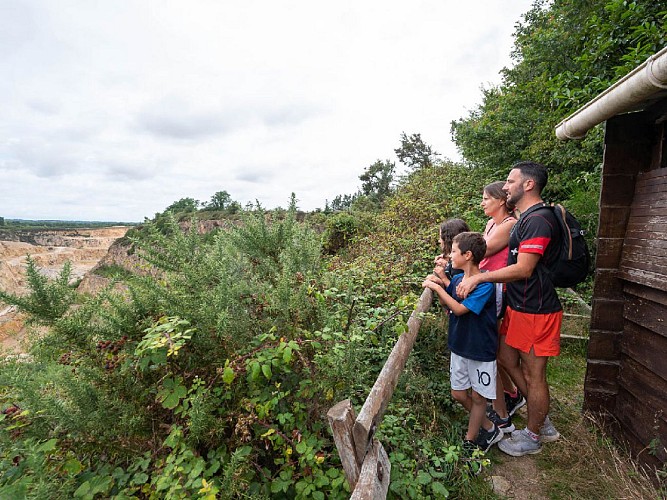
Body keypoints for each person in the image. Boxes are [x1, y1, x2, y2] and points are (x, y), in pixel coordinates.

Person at [457, 161, 562, 456]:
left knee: (534, 374)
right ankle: (539, 416)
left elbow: (525, 268)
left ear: (528, 185)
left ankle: (535, 435)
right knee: (504, 356)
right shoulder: (526, 218)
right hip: (520, 305)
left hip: (537, 310)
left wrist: (480, 276)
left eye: (509, 180)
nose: (505, 186)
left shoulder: (538, 220)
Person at [423, 232, 503, 453]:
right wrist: (439, 281)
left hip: (480, 349)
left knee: (478, 397)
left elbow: (459, 309)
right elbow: (448, 302)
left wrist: (437, 287)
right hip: (459, 346)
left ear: (467, 255)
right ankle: (488, 426)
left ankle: (470, 440)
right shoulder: (458, 280)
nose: (450, 255)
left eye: (454, 251)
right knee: (458, 393)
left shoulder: (485, 285)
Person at [478, 181, 525, 433]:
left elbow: (482, 251)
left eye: (486, 198)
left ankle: (501, 413)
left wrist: (456, 255)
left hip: (500, 292)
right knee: (496, 351)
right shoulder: (491, 223)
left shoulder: (508, 225)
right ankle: (511, 393)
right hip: (490, 288)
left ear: (499, 201)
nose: (483, 202)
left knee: (491, 350)